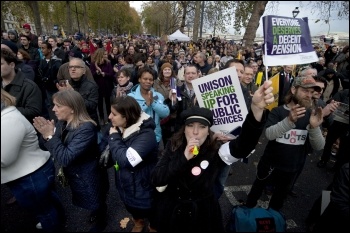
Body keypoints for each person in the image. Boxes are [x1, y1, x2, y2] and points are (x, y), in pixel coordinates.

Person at [150, 80, 275, 232]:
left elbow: (243, 146)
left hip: (203, 214)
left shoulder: (215, 149)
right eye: (190, 126)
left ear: (208, 130)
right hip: (172, 212)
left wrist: (255, 110)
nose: (195, 132)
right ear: (184, 129)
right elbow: (156, 178)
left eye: (202, 127)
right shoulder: (173, 146)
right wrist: (183, 158)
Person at [244, 76, 325, 211]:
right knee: (256, 190)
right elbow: (269, 134)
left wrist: (314, 127)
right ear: (294, 89)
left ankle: (273, 218)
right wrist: (289, 121)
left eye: (312, 92)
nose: (309, 95)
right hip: (270, 165)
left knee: (279, 200)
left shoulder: (312, 114)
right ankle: (246, 213)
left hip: (292, 168)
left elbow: (319, 146)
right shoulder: (278, 111)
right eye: (305, 91)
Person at [32, 90, 108, 232]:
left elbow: (65, 157)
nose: (53, 109)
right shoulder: (63, 122)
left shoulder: (86, 128)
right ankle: (97, 213)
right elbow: (50, 145)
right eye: (54, 105)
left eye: (58, 106)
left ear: (72, 108)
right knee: (91, 199)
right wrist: (47, 134)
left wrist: (49, 136)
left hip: (90, 175)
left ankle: (101, 220)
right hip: (78, 174)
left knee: (96, 199)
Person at [1, 89, 65, 232]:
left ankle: (53, 223)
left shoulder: (8, 120)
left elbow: (5, 159)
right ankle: (57, 219)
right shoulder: (7, 116)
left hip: (30, 177)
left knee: (45, 211)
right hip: (32, 173)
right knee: (48, 204)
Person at [107, 96, 159, 232]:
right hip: (126, 182)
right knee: (131, 206)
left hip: (143, 185)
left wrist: (113, 138)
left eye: (114, 114)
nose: (109, 117)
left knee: (151, 210)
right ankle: (138, 223)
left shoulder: (146, 135)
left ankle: (153, 226)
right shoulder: (119, 126)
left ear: (127, 116)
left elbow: (127, 160)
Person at [128, 66, 170, 144]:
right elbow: (130, 115)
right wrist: (146, 105)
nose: (148, 81)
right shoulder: (131, 97)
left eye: (150, 79)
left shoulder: (158, 96)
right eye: (145, 79)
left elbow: (165, 113)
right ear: (139, 79)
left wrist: (153, 103)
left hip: (155, 137)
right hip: (136, 137)